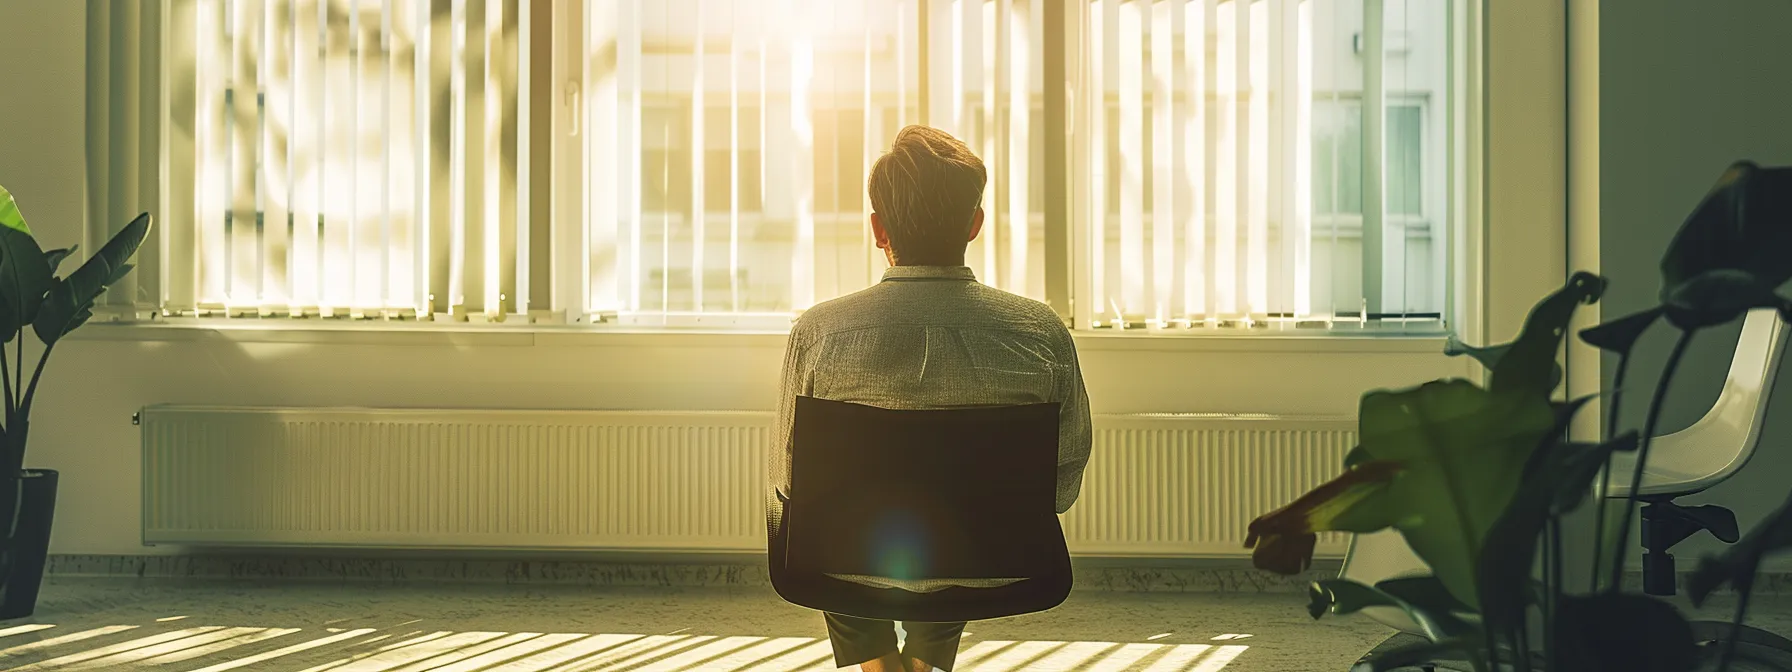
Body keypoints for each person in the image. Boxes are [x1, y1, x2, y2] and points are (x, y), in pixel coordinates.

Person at [767, 125, 1094, 672]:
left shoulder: (819, 332)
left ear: (877, 229)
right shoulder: (1040, 332)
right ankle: (925, 660)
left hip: (844, 564)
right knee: (955, 525)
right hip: (988, 557)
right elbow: (1061, 484)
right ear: (975, 224)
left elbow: (788, 480)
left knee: (829, 528)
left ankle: (877, 662)